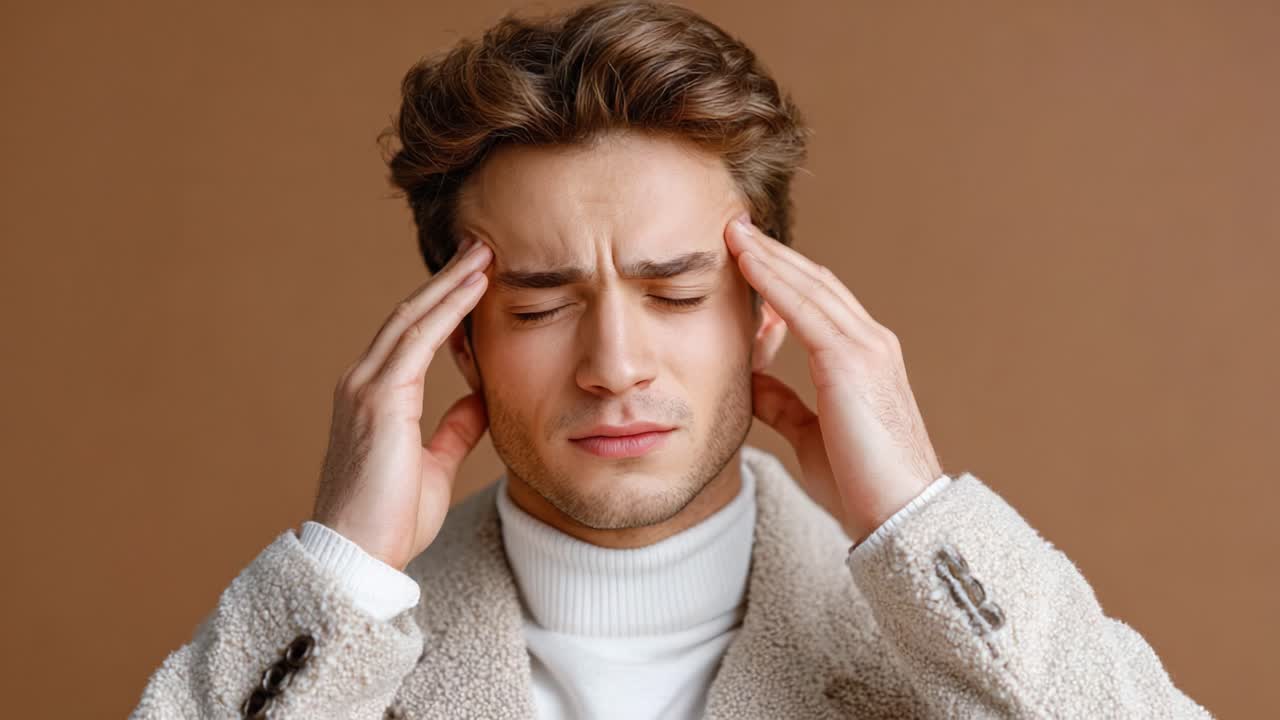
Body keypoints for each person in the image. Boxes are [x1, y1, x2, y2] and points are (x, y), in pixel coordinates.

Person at [130, 1, 1212, 718]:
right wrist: (340, 574)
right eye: (541, 302)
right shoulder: (335, 663)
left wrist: (920, 522)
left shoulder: (942, 638)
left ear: (765, 314)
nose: (614, 364)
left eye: (676, 293)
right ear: (458, 339)